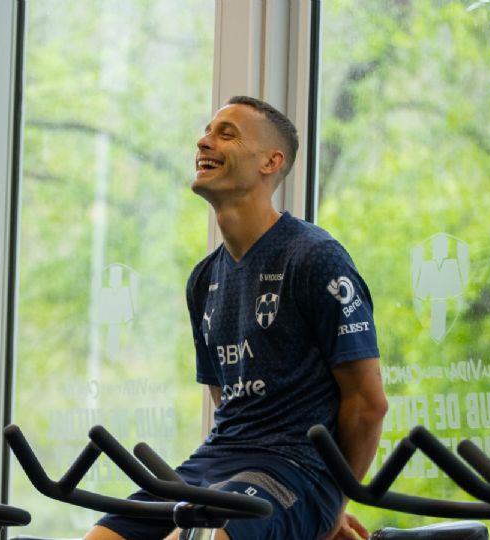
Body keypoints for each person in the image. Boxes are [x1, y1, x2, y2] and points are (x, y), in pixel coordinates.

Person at [84, 96, 388, 540]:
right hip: (214, 462)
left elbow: (368, 404)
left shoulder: (315, 258)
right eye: (207, 131)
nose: (204, 141)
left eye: (226, 133)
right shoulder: (204, 279)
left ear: (271, 161)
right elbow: (225, 396)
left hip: (291, 467)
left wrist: (329, 504)